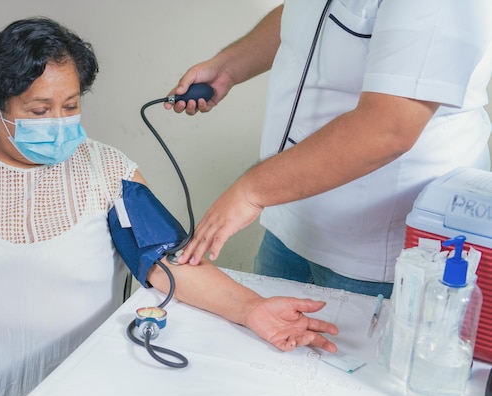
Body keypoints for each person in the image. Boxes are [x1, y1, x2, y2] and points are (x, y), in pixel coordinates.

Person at [0, 17, 339, 396]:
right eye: (38, 109)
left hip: (68, 395)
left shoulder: (108, 171)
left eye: (70, 106)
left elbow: (166, 261)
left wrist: (250, 307)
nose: (58, 122)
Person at [166, 1, 492, 297]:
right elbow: (311, 17)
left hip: (379, 256)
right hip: (290, 218)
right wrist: (230, 66)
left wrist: (251, 192)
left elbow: (388, 129)